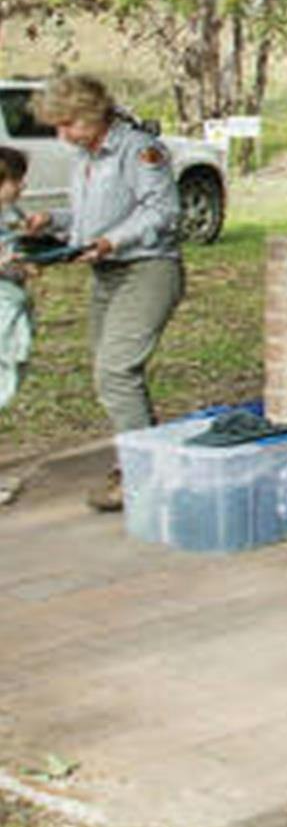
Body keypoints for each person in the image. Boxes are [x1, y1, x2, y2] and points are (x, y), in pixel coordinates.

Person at [23, 75, 185, 512]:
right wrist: (51, 221)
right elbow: (87, 216)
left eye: (68, 124)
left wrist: (112, 241)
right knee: (108, 375)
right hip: (106, 273)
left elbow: (163, 210)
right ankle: (145, 458)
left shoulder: (139, 149)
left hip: (147, 269)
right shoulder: (87, 155)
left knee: (116, 370)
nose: (63, 136)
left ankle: (142, 475)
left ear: (92, 113)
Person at [0, 147, 33, 413]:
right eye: (16, 179)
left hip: (12, 305)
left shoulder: (13, 216)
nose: (23, 185)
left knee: (11, 368)